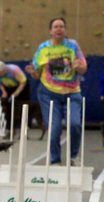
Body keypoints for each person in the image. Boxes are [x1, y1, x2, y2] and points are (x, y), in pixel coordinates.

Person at [25, 17, 87, 165]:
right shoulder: (43, 48)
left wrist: (78, 66)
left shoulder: (72, 46)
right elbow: (36, 73)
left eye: (61, 26)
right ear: (50, 31)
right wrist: (32, 72)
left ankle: (73, 156)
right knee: (54, 127)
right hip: (49, 93)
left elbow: (84, 68)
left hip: (72, 92)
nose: (59, 29)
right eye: (55, 26)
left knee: (74, 124)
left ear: (65, 30)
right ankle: (54, 160)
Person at [0, 60, 29, 133]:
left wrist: (16, 93)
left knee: (19, 107)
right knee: (8, 107)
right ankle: (9, 128)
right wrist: (4, 92)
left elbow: (23, 82)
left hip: (21, 87)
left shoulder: (14, 70)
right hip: (9, 87)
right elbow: (0, 83)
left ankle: (23, 126)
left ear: (4, 70)